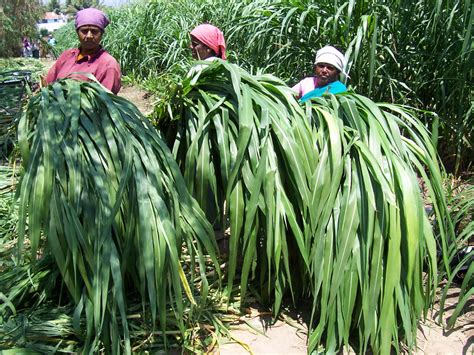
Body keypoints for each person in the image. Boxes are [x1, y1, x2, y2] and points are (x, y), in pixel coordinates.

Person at [46, 8, 121, 94]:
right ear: (77, 32)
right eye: (84, 31)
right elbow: (48, 83)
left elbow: (104, 102)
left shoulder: (108, 65)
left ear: (102, 34)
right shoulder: (67, 56)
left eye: (94, 31)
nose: (89, 36)